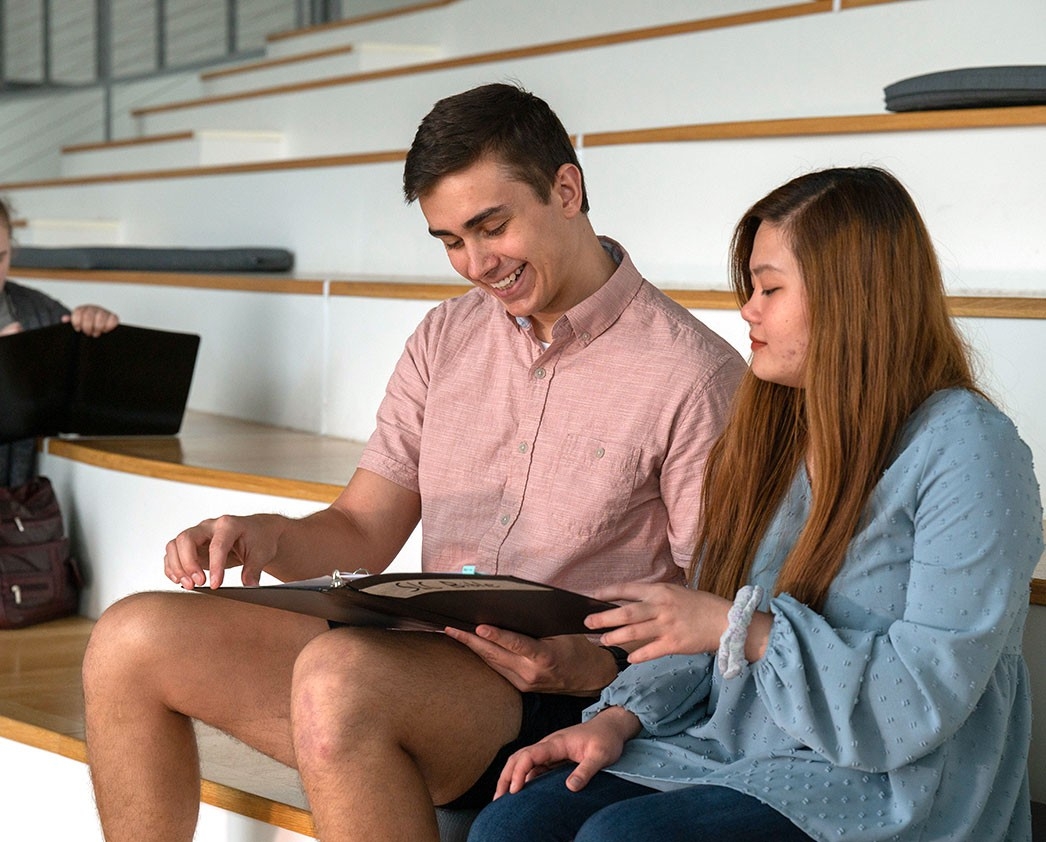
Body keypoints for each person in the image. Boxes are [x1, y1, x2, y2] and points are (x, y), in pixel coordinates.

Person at [81, 83, 746, 841]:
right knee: (129, 637)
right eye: (450, 240)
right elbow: (363, 526)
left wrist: (587, 665)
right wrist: (267, 536)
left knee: (341, 681)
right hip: (415, 657)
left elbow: (716, 612)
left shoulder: (693, 374)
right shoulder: (445, 338)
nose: (475, 264)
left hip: (567, 691)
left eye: (490, 227)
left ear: (567, 189)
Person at [468, 167, 1044, 842]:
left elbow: (919, 699)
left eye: (770, 288)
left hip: (889, 786)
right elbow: (705, 635)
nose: (748, 310)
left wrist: (743, 629)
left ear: (853, 297)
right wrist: (614, 719)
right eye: (751, 288)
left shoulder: (969, 446)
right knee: (513, 825)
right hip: (736, 754)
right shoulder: (771, 432)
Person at [0, 198, 120, 487]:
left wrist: (95, 330)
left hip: (21, 514)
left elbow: (102, 405)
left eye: (0, 256)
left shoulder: (38, 311)